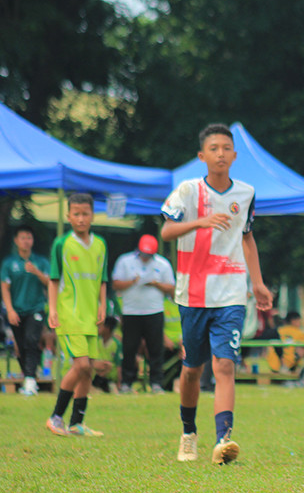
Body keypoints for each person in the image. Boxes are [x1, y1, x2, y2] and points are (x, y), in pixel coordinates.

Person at [161, 123, 273, 465]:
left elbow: (247, 237)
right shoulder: (187, 191)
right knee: (193, 368)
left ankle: (224, 439)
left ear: (235, 155)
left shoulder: (246, 192)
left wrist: (257, 282)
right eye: (214, 148)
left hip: (231, 293)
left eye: (226, 148)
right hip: (193, 294)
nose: (220, 153)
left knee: (225, 364)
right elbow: (166, 231)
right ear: (202, 156)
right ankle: (188, 434)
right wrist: (200, 222)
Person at [45, 193, 108, 437]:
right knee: (81, 365)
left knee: (88, 368)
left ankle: (76, 423)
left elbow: (102, 279)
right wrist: (52, 309)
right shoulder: (61, 244)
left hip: (91, 314)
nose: (81, 219)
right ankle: (55, 417)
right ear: (68, 216)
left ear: (93, 215)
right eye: (77, 214)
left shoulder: (101, 244)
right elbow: (53, 279)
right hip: (68, 314)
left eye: (86, 214)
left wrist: (103, 305)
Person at [112, 234, 175, 394]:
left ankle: (156, 383)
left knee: (156, 349)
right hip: (131, 312)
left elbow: (171, 287)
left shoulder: (163, 264)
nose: (146, 258)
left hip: (154, 311)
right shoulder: (125, 261)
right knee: (129, 348)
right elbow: (116, 283)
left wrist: (156, 284)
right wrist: (132, 281)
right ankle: (127, 382)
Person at [0, 224, 50, 396]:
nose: (26, 241)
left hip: (35, 308)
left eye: (29, 238)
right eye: (22, 238)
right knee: (21, 345)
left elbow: (50, 284)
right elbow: (5, 288)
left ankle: (29, 380)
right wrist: (10, 310)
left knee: (31, 339)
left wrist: (37, 272)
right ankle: (30, 376)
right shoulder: (9, 263)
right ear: (16, 240)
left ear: (33, 241)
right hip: (17, 310)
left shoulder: (41, 262)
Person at [91, 316, 121, 393]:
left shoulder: (116, 344)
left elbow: (119, 365)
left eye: (100, 326)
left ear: (107, 328)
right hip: (96, 374)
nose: (98, 328)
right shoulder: (96, 341)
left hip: (110, 376)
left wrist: (119, 383)